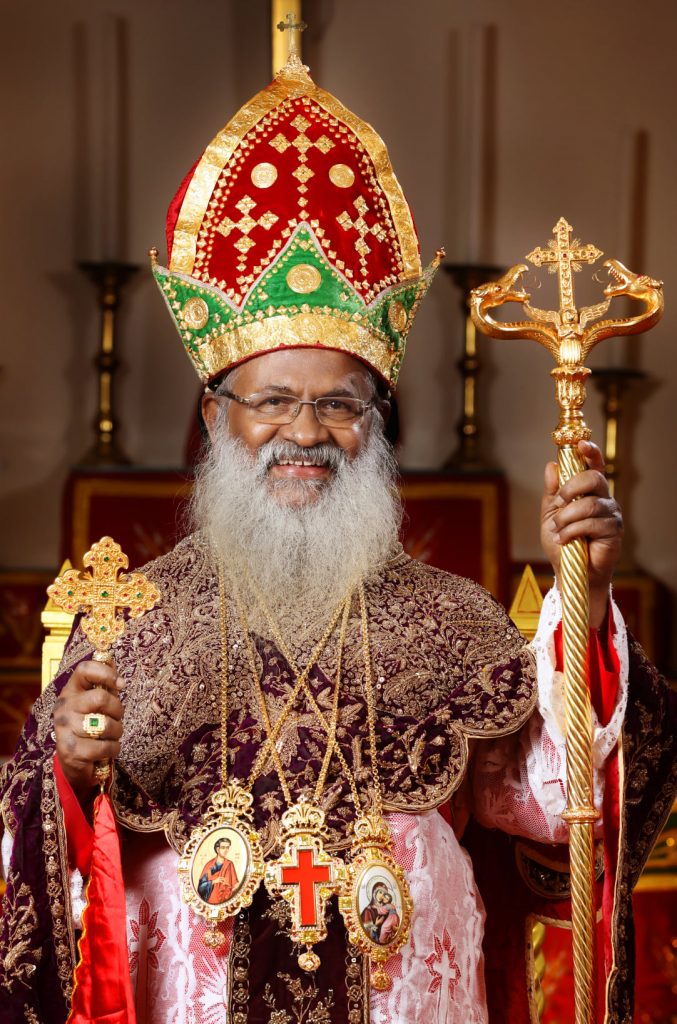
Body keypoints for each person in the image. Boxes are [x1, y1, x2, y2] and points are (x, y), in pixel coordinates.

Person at [1, 46, 675, 1024]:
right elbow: (40, 860)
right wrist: (65, 769)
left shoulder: (446, 618)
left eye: (341, 405)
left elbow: (565, 802)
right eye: (272, 402)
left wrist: (587, 593)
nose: (306, 432)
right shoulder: (134, 619)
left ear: (377, 422)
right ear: (215, 412)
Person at [197, 837, 239, 905]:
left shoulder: (229, 864)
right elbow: (200, 887)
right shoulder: (209, 865)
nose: (225, 850)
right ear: (217, 849)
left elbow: (235, 884)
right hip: (211, 901)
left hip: (226, 901)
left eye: (227, 847)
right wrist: (213, 881)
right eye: (223, 847)